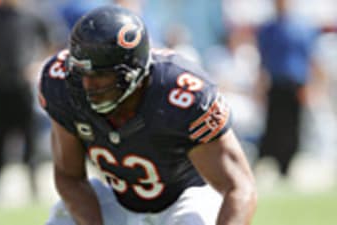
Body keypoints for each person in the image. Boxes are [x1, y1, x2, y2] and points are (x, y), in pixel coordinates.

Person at [39, 5, 256, 225]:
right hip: (118, 201)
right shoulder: (62, 83)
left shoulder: (182, 95)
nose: (87, 85)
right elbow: (69, 177)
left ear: (133, 71)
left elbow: (238, 187)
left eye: (100, 74)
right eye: (82, 73)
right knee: (64, 218)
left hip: (184, 200)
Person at [0, 0, 52, 199]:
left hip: (24, 87)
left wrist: (37, 66)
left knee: (30, 138)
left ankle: (33, 189)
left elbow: (51, 44)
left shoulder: (34, 15)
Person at [255, 0, 324, 177]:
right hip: (276, 83)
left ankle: (287, 165)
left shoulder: (303, 27)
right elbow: (263, 61)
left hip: (296, 84)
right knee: (274, 125)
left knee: (294, 126)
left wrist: (312, 85)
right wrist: (260, 86)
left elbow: (311, 58)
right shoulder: (268, 29)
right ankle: (272, 162)